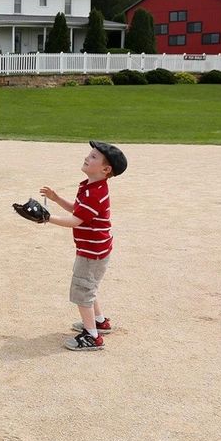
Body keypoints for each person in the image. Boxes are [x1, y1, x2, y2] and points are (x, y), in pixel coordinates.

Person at [38, 140, 127, 352]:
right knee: (89, 286)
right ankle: (99, 321)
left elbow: (76, 221)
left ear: (106, 170)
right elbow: (79, 211)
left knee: (82, 290)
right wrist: (57, 198)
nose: (88, 157)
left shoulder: (94, 193)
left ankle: (92, 336)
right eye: (89, 154)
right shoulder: (90, 187)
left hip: (92, 252)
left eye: (94, 157)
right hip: (94, 248)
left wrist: (47, 218)